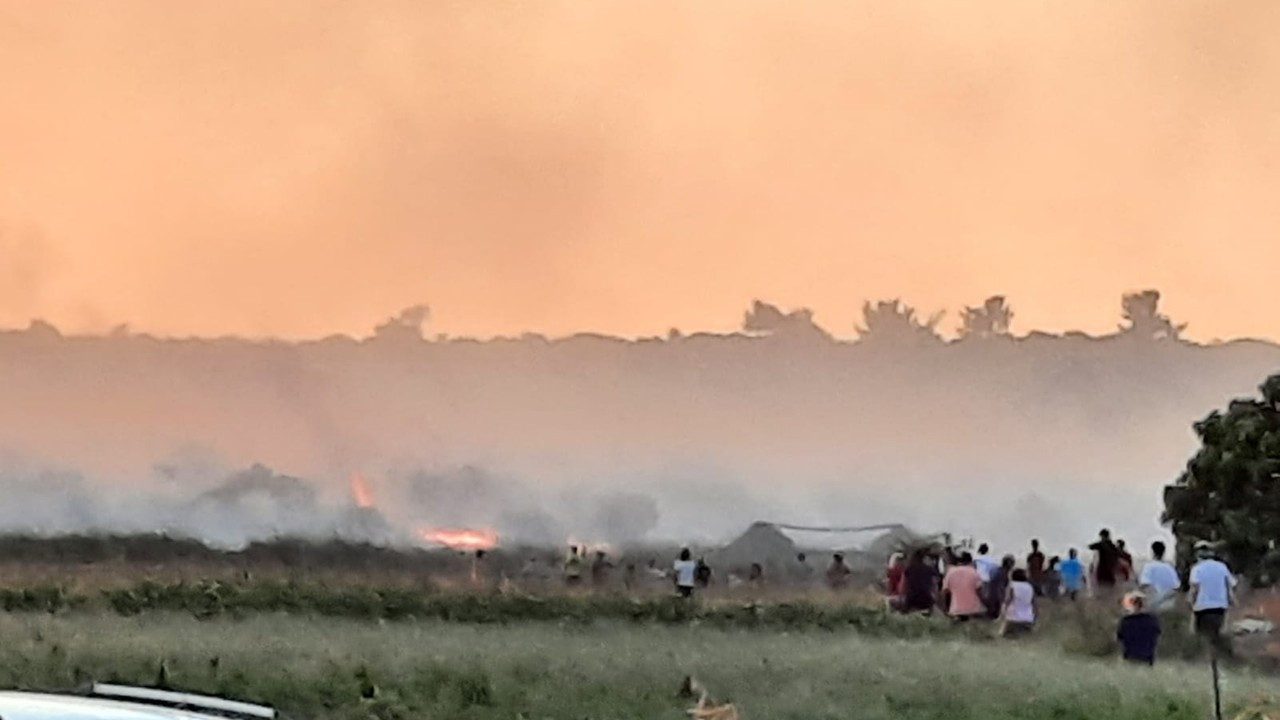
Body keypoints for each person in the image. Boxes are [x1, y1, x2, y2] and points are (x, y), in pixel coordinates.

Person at [1189, 540, 1237, 654]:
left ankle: (1204, 658)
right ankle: (1218, 657)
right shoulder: (1222, 567)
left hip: (1202, 608)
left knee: (1202, 636)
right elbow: (1230, 585)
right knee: (1217, 634)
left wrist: (1191, 603)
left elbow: (1195, 588)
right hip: (1220, 607)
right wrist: (1232, 601)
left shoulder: (1197, 568)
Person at [1117, 591, 1161, 666]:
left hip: (1130, 658)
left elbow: (1120, 637)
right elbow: (1157, 634)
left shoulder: (1126, 621)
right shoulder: (1152, 620)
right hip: (1148, 658)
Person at [1138, 541, 1180, 612]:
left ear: (1152, 552)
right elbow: (1176, 587)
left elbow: (1144, 584)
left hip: (1153, 606)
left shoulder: (1148, 567)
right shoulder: (1169, 568)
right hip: (1169, 607)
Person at [941, 552, 984, 621]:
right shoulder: (974, 572)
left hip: (956, 610)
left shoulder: (950, 572)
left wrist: (945, 610)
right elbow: (980, 591)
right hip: (973, 610)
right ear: (970, 561)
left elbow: (944, 592)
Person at [901, 548, 938, 614]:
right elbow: (935, 586)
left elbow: (903, 585)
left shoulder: (909, 569)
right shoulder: (929, 569)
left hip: (911, 599)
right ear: (924, 559)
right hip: (926, 599)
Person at [1001, 568, 1037, 637]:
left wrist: (1003, 613)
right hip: (1028, 617)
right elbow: (1034, 604)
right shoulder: (1030, 587)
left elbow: (1008, 600)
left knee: (1002, 634)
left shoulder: (1012, 585)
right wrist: (1034, 617)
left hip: (1013, 617)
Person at [1089, 529, 1122, 594]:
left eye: (1101, 536)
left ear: (1102, 536)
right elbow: (1118, 554)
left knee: (1101, 587)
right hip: (1111, 570)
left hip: (1102, 569)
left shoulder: (1101, 544)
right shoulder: (1112, 545)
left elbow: (1090, 546)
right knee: (1111, 588)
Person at [986, 555, 1016, 619]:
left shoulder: (998, 570)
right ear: (1009, 564)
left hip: (991, 599)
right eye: (1012, 563)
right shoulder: (1003, 573)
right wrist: (1001, 603)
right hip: (996, 601)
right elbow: (999, 589)